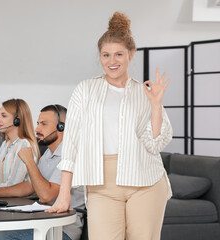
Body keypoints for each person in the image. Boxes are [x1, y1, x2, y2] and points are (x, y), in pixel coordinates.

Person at [47, 12, 173, 240]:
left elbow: (155, 143)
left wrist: (156, 105)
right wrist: (64, 193)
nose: (112, 61)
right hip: (101, 185)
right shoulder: (85, 90)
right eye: (106, 55)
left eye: (118, 54)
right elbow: (72, 143)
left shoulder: (144, 93)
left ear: (131, 55)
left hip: (146, 182)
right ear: (100, 56)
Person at [0, 104, 85, 240]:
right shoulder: (48, 153)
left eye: (43, 124)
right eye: (37, 123)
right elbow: (30, 186)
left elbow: (46, 195)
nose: (37, 129)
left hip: (62, 230)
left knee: (2, 236)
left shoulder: (69, 156)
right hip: (43, 221)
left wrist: (30, 162)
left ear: (62, 127)